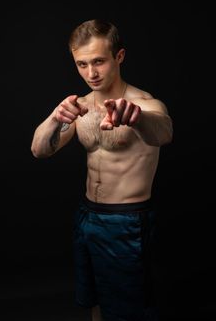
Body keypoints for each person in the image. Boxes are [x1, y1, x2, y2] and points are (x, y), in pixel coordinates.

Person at [31, 19, 173, 321]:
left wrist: (136, 119)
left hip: (127, 222)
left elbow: (163, 132)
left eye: (98, 61)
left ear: (118, 57)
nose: (90, 74)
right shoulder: (79, 106)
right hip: (88, 217)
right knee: (95, 301)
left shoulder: (143, 104)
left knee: (130, 309)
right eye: (81, 64)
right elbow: (39, 150)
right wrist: (56, 118)